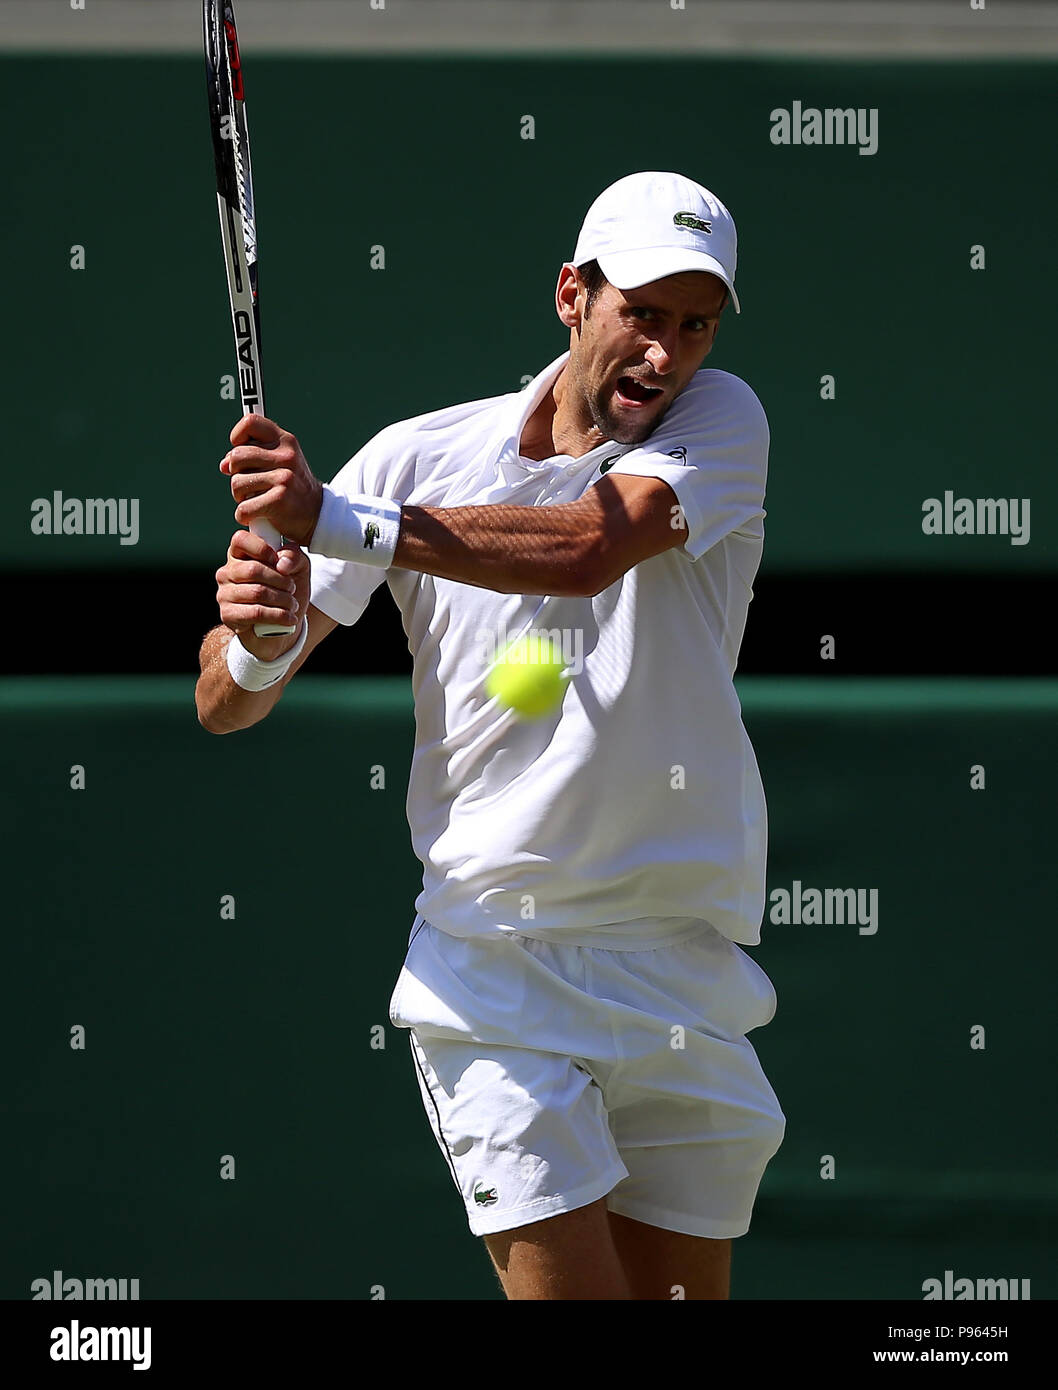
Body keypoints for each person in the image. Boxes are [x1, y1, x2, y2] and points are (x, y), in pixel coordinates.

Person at [195, 171, 785, 1301]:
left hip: (682, 970)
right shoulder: (413, 459)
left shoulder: (723, 421)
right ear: (571, 295)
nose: (666, 354)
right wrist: (262, 638)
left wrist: (334, 519)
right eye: (642, 315)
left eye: (693, 323)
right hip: (496, 974)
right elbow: (227, 699)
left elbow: (585, 547)